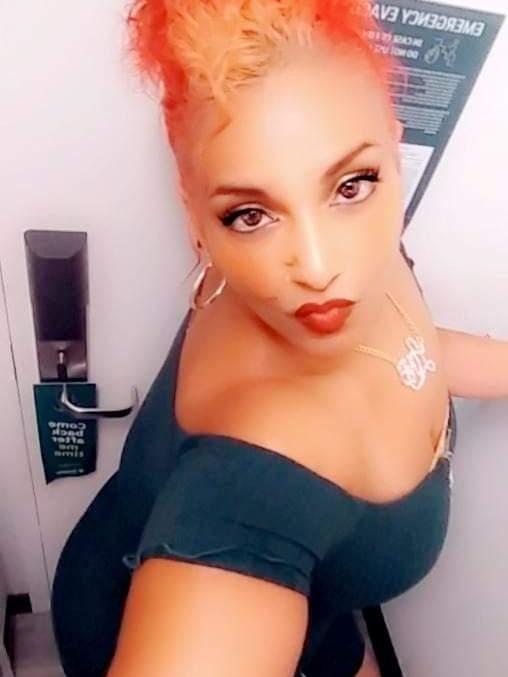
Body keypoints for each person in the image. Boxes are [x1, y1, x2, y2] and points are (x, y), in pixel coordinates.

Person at [51, 1, 460, 675]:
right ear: (195, 215)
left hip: (318, 622)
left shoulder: (353, 272)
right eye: (250, 215)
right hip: (115, 606)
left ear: (393, 148)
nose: (319, 266)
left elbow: (409, 353)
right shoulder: (252, 484)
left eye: (350, 185)